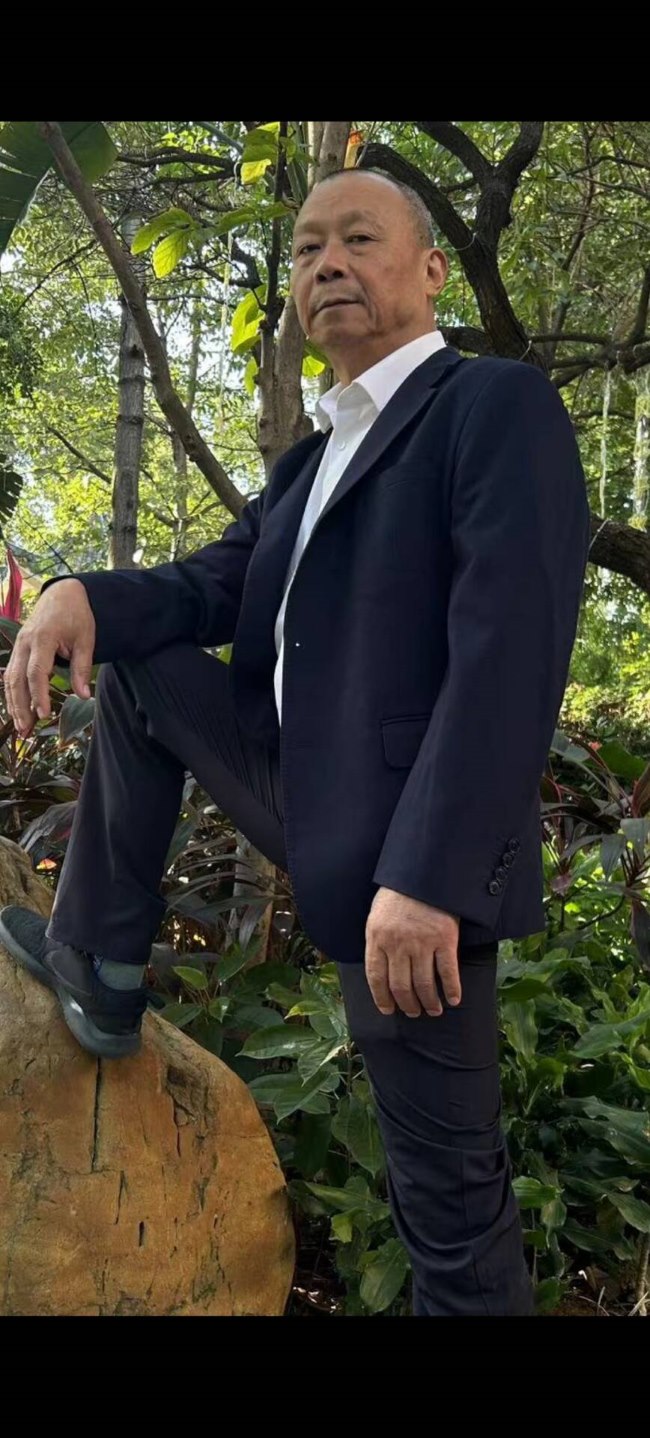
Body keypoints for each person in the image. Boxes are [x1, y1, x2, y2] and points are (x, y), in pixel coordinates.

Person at [0, 168, 591, 1317]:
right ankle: (100, 968)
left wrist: (428, 878)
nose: (326, 263)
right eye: (309, 247)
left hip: (410, 866)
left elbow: (509, 652)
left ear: (430, 270)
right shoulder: (309, 466)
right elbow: (205, 589)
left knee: (450, 1219)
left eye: (358, 238)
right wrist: (79, 592)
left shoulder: (489, 406)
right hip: (312, 800)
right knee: (146, 665)